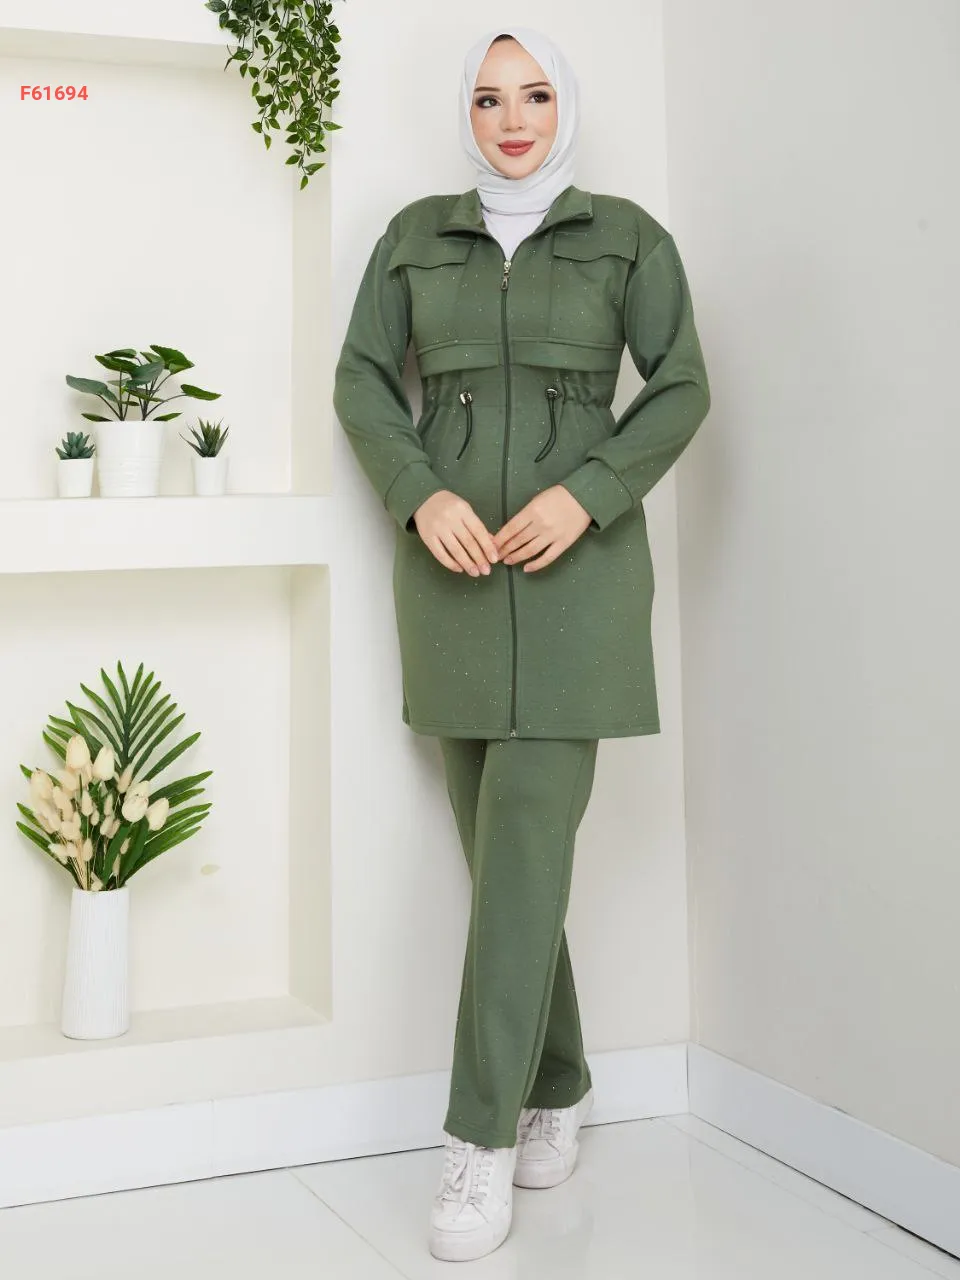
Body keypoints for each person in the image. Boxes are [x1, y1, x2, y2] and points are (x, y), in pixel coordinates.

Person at [333, 24, 711, 1263]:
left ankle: (477, 1139)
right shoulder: (413, 237)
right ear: (467, 112)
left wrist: (589, 493)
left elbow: (681, 386)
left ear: (565, 107)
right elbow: (360, 380)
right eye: (491, 98)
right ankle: (560, 1080)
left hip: (574, 586)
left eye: (536, 95)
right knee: (506, 863)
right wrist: (417, 491)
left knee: (522, 851)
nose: (513, 118)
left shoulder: (629, 238)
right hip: (447, 582)